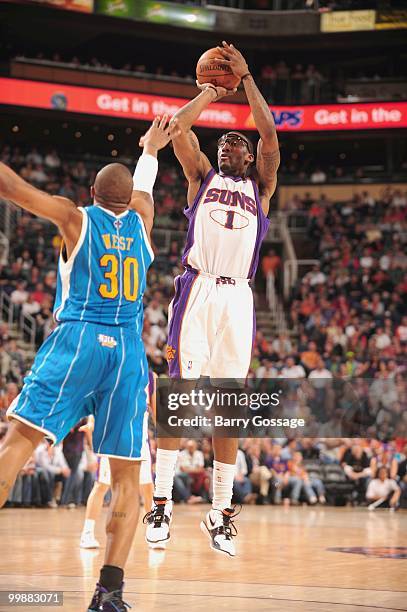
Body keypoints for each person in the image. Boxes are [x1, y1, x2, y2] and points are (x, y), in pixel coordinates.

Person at [0, 116, 178, 612]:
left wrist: (146, 151)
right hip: (127, 351)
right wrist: (151, 149)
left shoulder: (74, 217)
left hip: (78, 338)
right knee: (126, 477)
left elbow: (11, 186)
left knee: (18, 444)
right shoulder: (142, 218)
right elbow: (143, 187)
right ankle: (110, 593)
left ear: (91, 192)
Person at [144, 41, 279, 557]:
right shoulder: (202, 178)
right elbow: (177, 130)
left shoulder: (261, 188)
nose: (226, 145)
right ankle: (160, 503)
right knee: (179, 394)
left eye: (233, 143)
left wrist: (244, 81)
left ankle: (220, 512)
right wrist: (207, 91)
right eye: (221, 143)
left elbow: (268, 133)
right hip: (199, 288)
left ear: (249, 156)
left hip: (238, 298)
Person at [80, 370, 157, 549]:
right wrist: (92, 422)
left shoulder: (150, 377)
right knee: (101, 485)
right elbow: (98, 397)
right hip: (112, 438)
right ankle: (87, 532)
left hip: (139, 441)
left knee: (147, 487)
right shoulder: (114, 367)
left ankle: (153, 529)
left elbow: (157, 412)